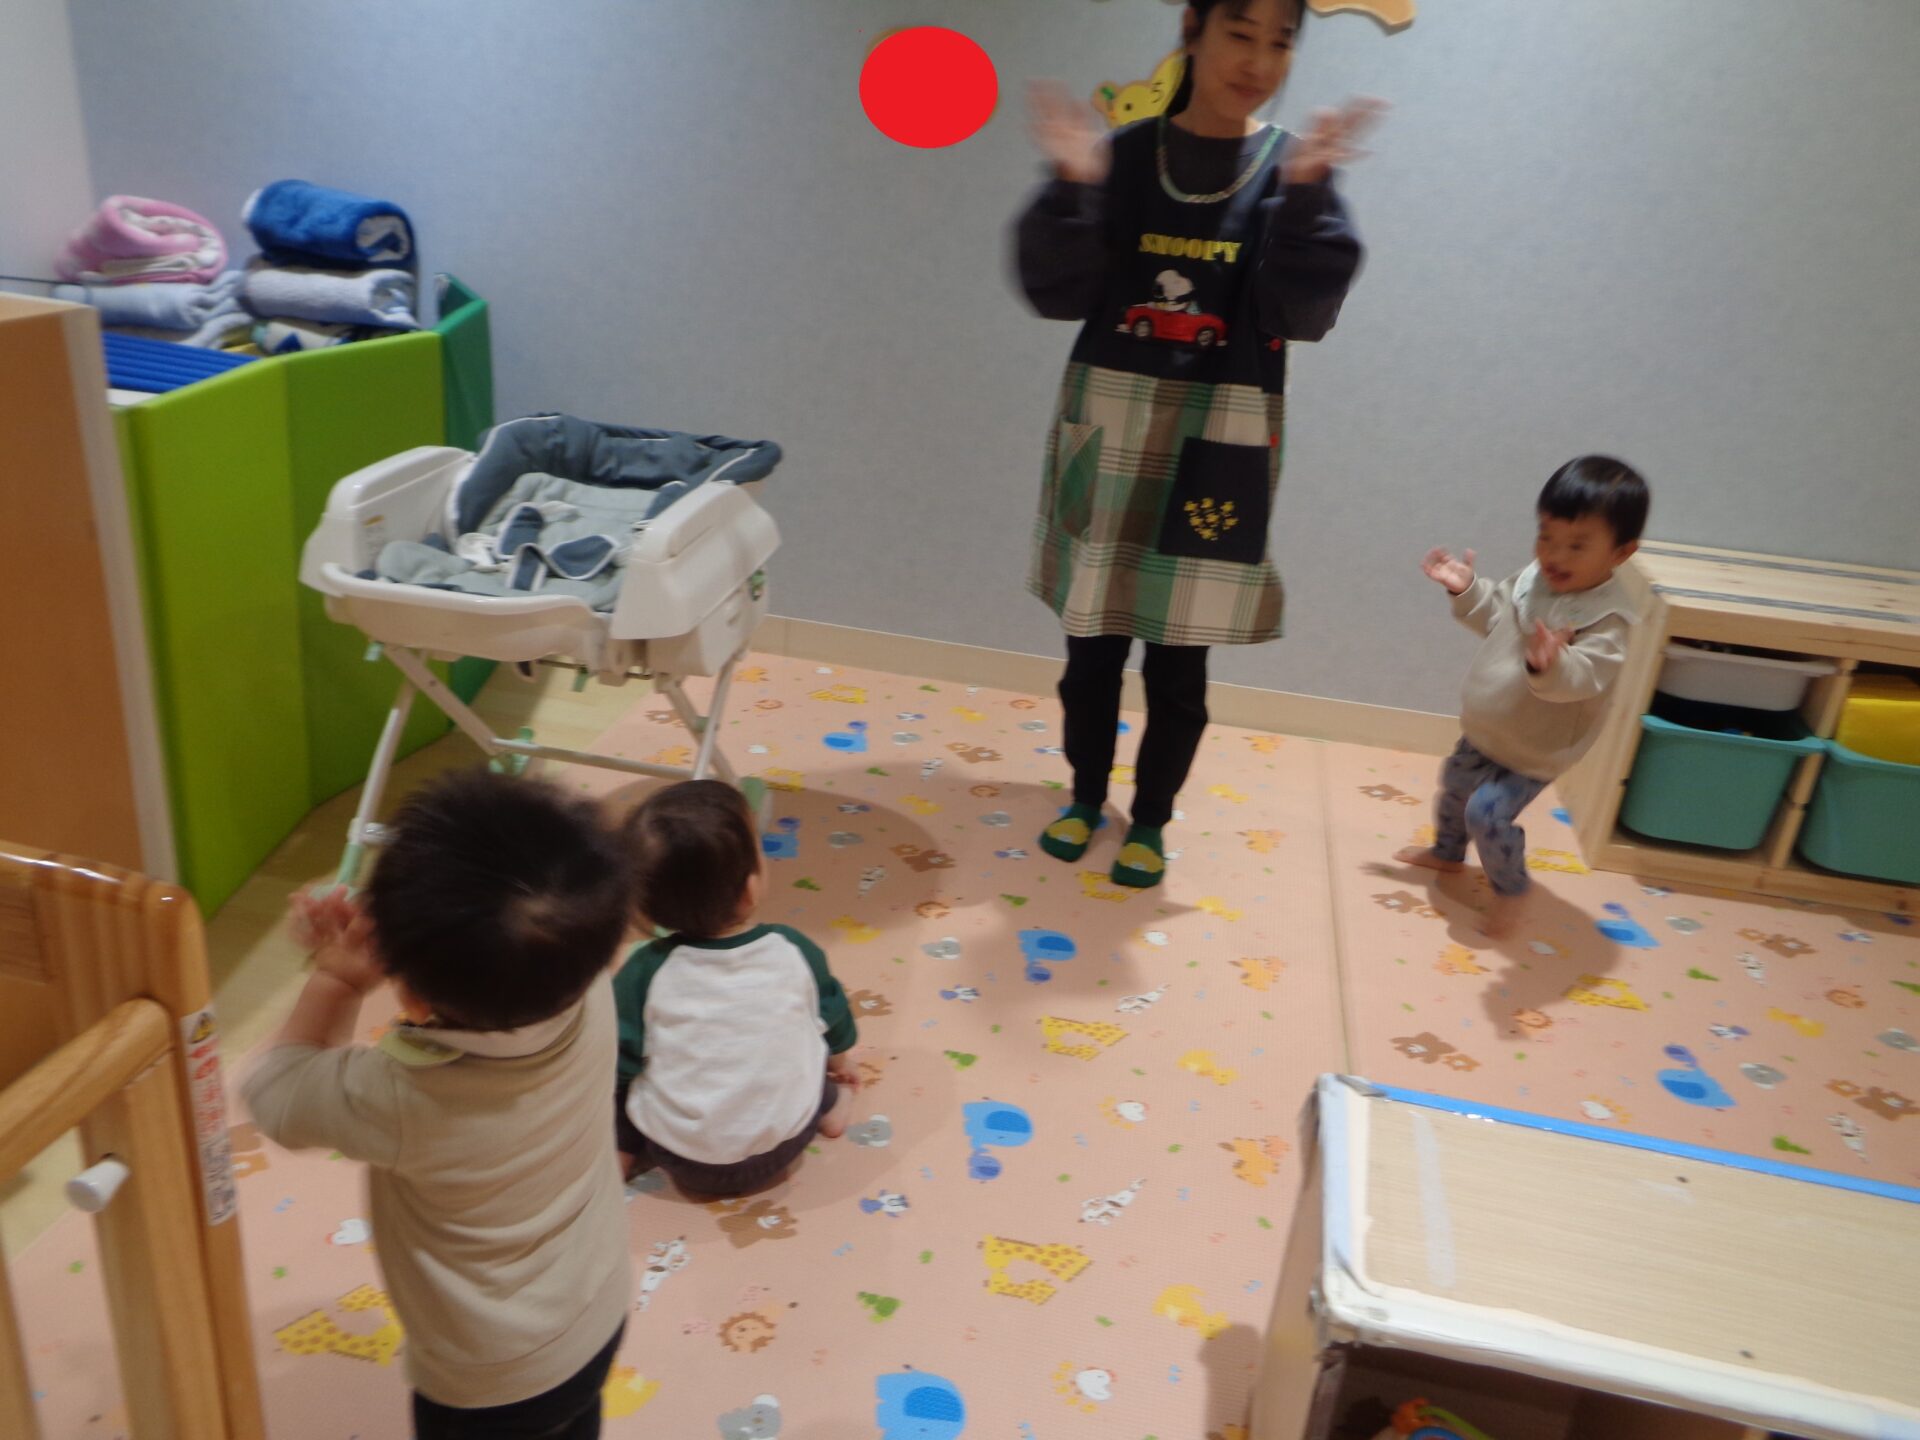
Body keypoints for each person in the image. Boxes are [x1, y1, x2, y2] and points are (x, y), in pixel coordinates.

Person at [1014, 0, 1384, 888]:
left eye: (1280, 41)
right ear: (1193, 29)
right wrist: (1072, 188)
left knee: (1180, 661)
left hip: (1219, 440)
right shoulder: (1123, 158)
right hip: (1109, 428)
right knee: (1091, 649)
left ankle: (1150, 818)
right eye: (1239, 33)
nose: (1258, 60)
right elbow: (1057, 292)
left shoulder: (1290, 172)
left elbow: (1305, 314)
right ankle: (1084, 796)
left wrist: (1306, 199)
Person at [240, 769, 632, 1439]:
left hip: (488, 1382)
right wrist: (407, 936)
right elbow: (517, 924)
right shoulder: (589, 989)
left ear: (413, 997)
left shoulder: (401, 1097)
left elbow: (276, 1091)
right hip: (598, 1312)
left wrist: (337, 980)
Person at [1398, 456, 1652, 935]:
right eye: (1546, 537)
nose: (1555, 555)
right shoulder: (1535, 578)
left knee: (1486, 813)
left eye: (1577, 545)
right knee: (1456, 785)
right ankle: (1447, 852)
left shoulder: (1609, 619)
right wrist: (1468, 591)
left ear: (1621, 553)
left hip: (1537, 746)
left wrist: (1550, 664)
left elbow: (1587, 676)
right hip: (1490, 725)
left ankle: (1511, 889)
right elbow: (1497, 615)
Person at [613, 779, 860, 1198]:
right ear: (749, 889)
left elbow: (621, 1057)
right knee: (799, 1050)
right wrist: (843, 1060)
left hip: (684, 1160)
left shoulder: (645, 971)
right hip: (786, 1143)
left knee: (625, 1087)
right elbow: (832, 1017)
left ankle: (620, 1151)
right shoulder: (792, 949)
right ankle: (832, 1106)